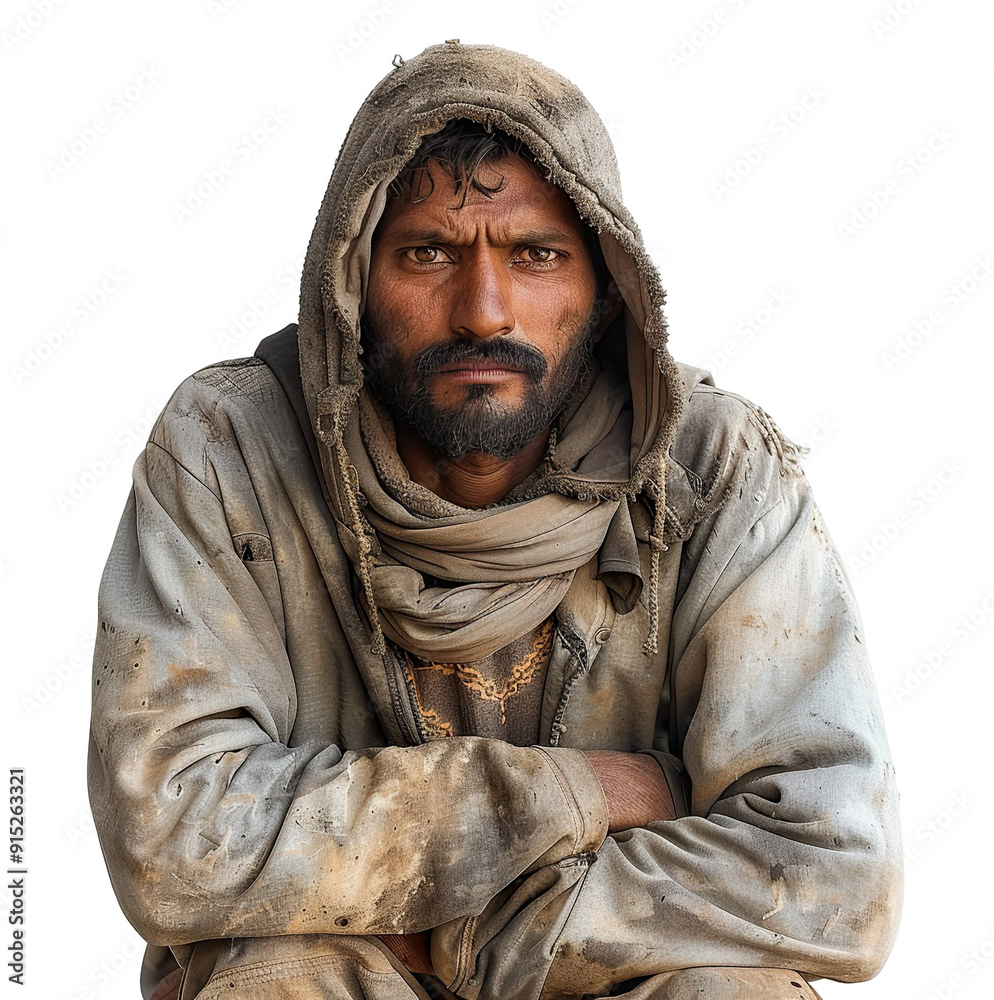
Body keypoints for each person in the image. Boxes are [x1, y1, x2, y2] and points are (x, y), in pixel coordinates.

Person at [88, 41, 902, 1000]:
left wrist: (480, 934)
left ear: (605, 289)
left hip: (607, 977)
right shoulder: (228, 449)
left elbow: (834, 874)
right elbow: (173, 839)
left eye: (536, 256)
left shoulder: (714, 469)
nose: (484, 311)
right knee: (282, 980)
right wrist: (586, 792)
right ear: (349, 283)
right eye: (429, 253)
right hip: (342, 976)